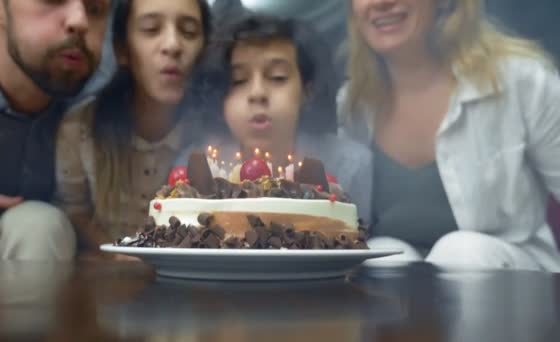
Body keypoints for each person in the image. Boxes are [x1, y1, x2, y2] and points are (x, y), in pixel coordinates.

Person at [338, 0, 560, 271]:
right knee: (381, 256)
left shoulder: (523, 80)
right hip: (401, 299)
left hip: (517, 284)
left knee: (463, 253)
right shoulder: (350, 108)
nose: (380, 3)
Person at [0, 0, 112, 260]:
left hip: (53, 275)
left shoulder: (111, 96)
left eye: (95, 9)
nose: (80, 21)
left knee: (38, 224)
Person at [54, 0, 212, 258]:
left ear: (203, 50)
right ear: (122, 49)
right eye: (151, 29)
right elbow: (74, 211)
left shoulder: (213, 138)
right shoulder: (81, 128)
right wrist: (119, 253)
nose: (172, 45)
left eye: (189, 32)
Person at [177, 15, 372, 221]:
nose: (257, 93)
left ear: (307, 90)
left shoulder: (349, 166)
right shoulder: (197, 169)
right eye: (239, 80)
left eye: (277, 77)